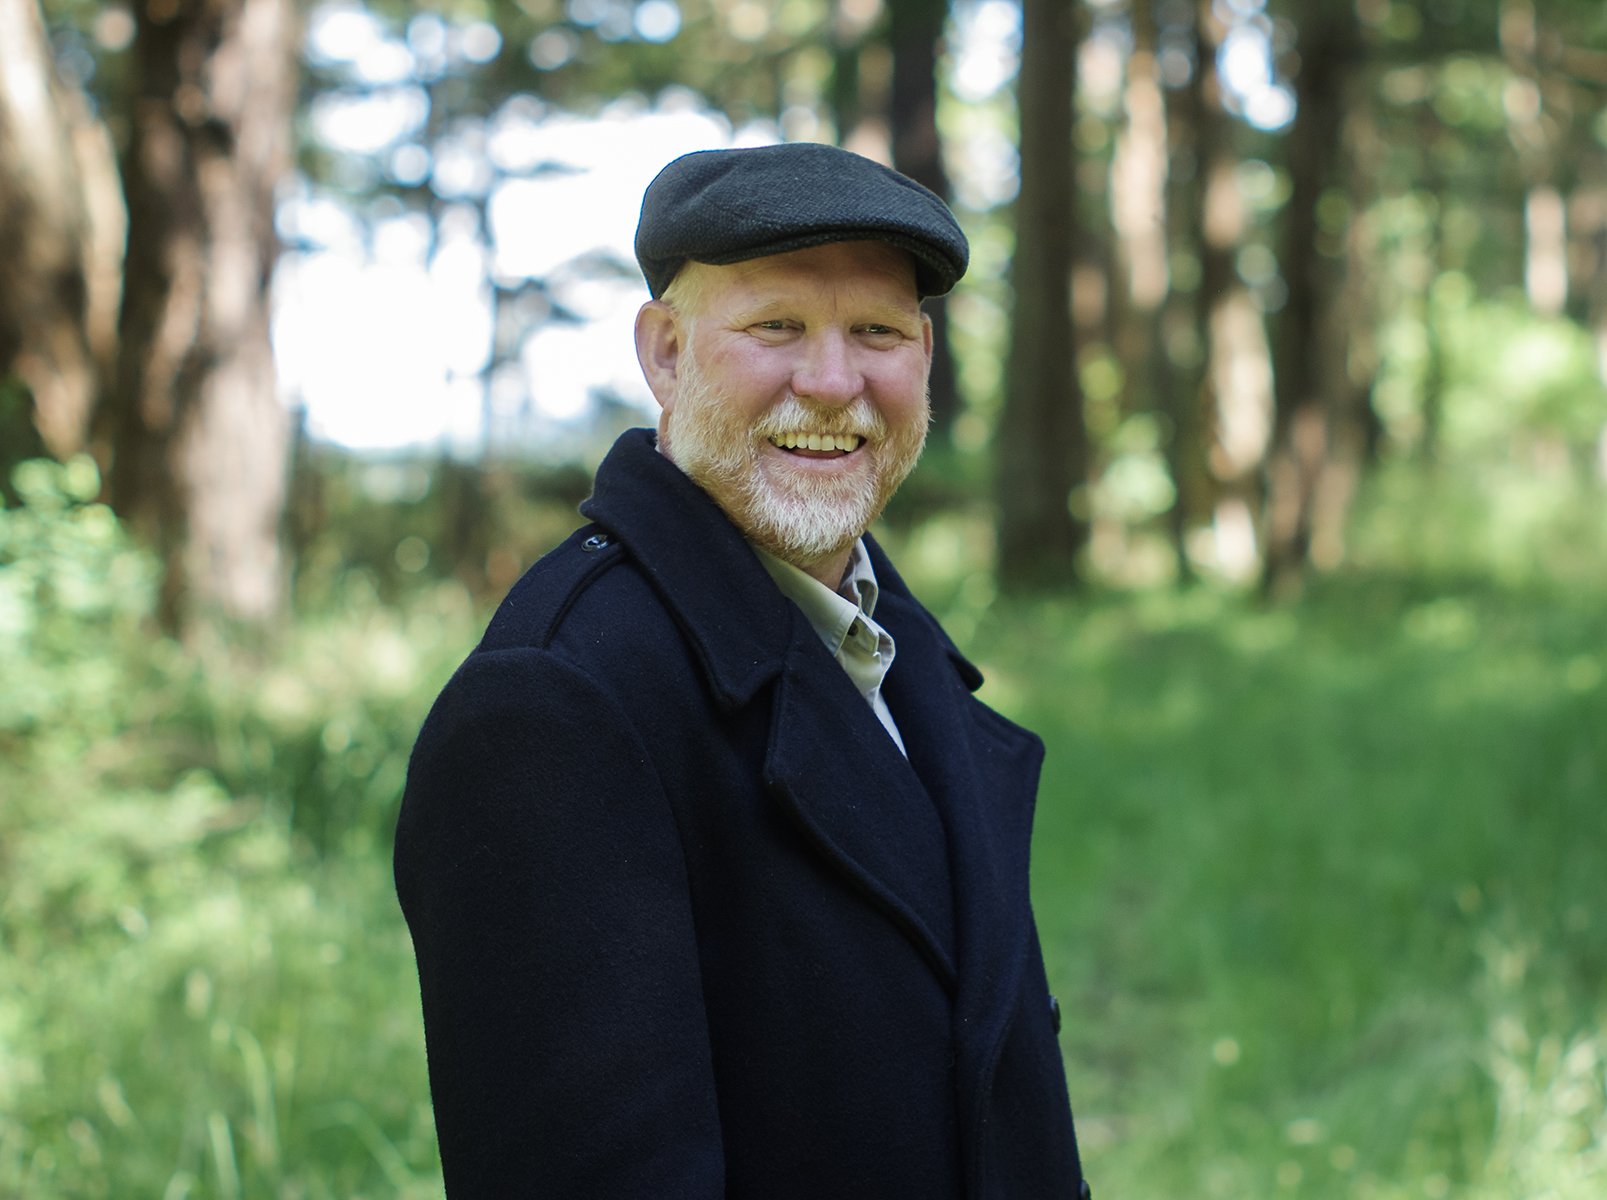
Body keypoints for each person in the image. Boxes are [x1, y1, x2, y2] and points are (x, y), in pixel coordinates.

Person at [394, 142, 1088, 1199]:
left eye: (877, 332)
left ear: (926, 356)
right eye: (776, 327)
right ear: (665, 354)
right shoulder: (554, 707)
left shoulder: (883, 633)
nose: (832, 381)